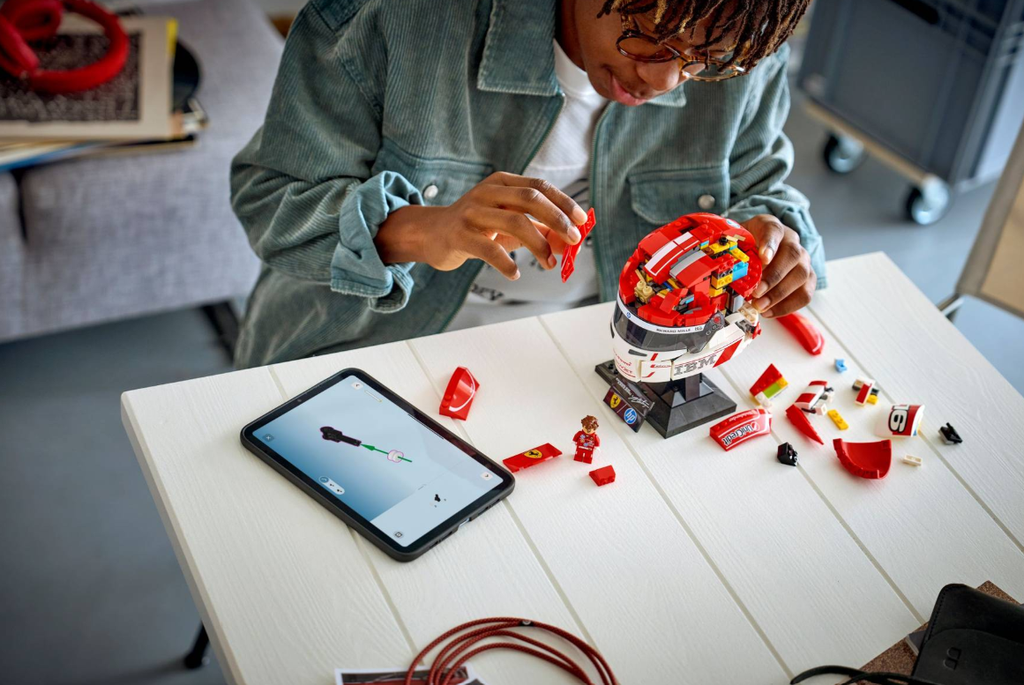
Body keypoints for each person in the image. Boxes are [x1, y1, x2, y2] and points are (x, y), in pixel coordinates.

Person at [231, 0, 824, 368]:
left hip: (576, 364)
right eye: (650, 35)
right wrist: (419, 230)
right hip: (368, 354)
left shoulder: (734, 39)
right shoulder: (390, 16)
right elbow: (270, 198)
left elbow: (762, 189)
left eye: (700, 61)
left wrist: (778, 240)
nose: (666, 80)